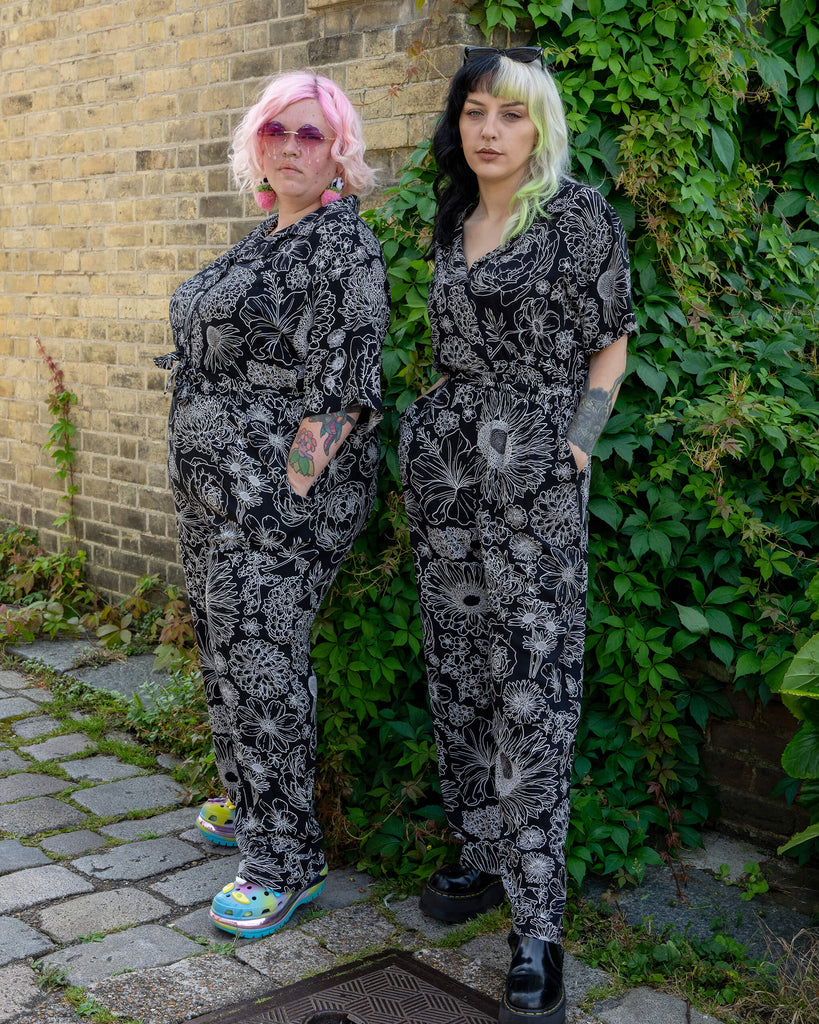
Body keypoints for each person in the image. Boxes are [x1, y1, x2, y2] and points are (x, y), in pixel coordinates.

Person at [399, 46, 638, 1024]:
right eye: (475, 113)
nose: (489, 129)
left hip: (535, 476)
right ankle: (477, 850)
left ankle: (536, 927)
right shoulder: (452, 221)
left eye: (511, 114)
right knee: (458, 670)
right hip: (447, 474)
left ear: (539, 128)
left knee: (534, 684)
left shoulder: (576, 216)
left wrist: (575, 454)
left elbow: (611, 343)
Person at [155, 71, 389, 939]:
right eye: (275, 131)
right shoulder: (265, 237)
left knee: (264, 668)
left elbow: (343, 395)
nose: (289, 147)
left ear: (339, 155)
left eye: (310, 135)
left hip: (273, 508)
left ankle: (285, 862)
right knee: (226, 654)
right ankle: (250, 799)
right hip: (211, 498)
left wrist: (281, 498)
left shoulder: (341, 247)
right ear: (255, 142)